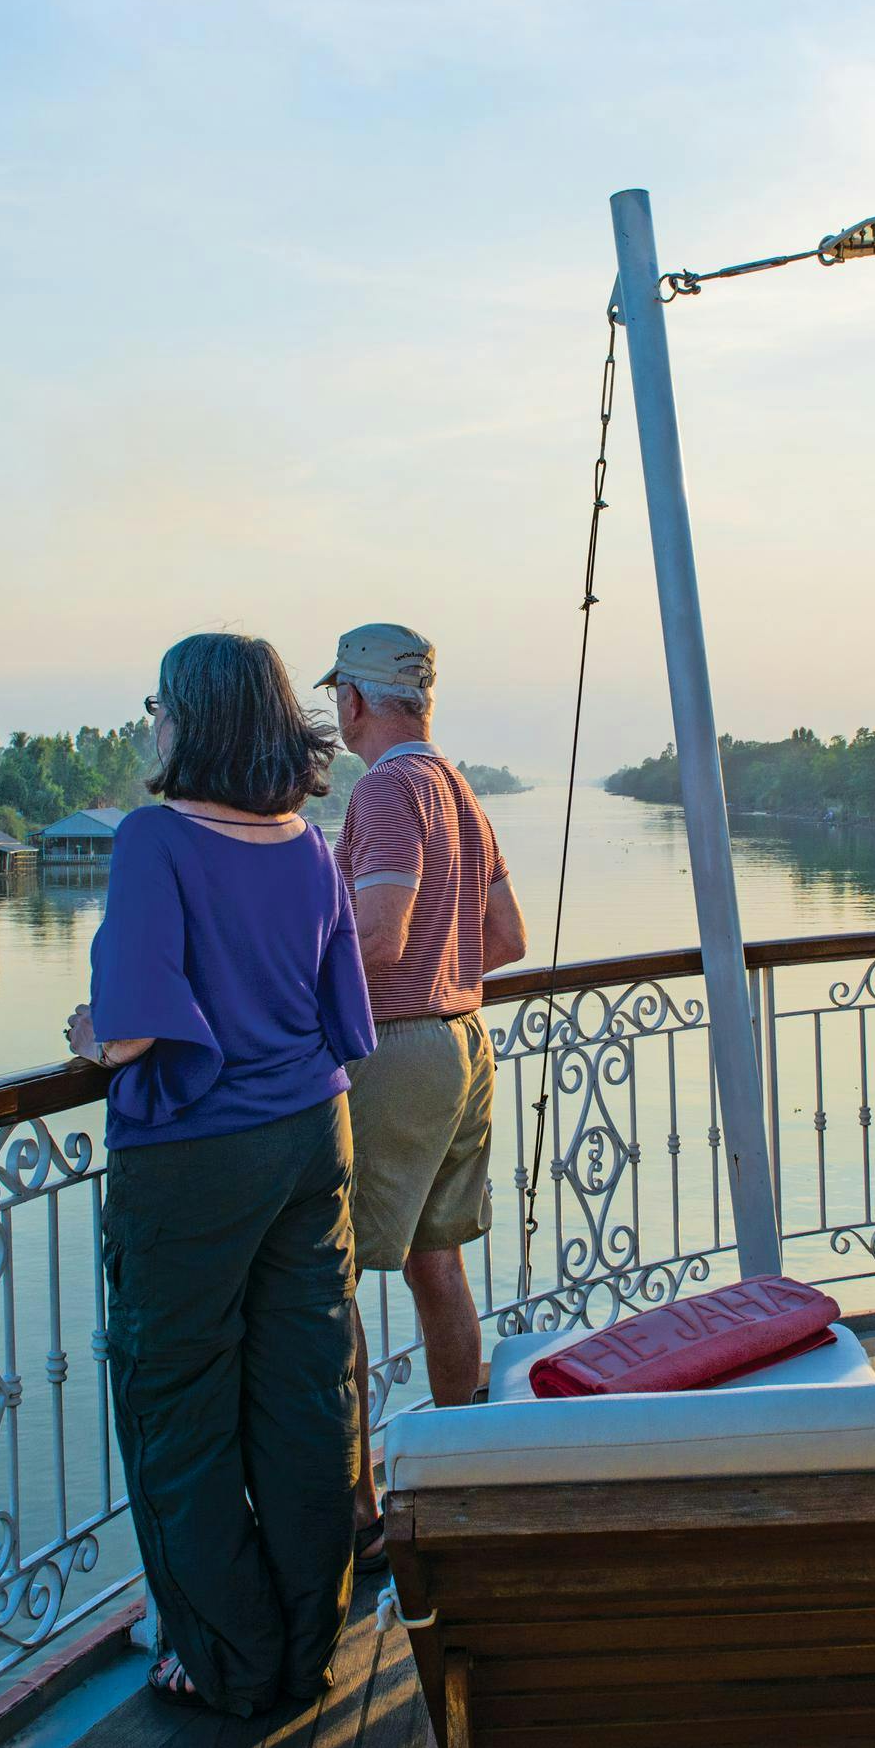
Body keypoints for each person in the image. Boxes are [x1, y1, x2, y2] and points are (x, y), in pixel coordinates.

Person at [64, 632, 376, 1717]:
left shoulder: (154, 840)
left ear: (190, 719)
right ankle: (307, 1645)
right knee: (305, 1393)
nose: (153, 720)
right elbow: (342, 1005)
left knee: (178, 1409)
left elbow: (139, 1027)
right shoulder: (307, 841)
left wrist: (91, 1038)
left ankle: (224, 1658)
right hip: (313, 1134)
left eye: (159, 703)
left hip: (196, 1156)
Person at [314, 623, 526, 1559]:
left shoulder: (389, 789)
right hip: (464, 1042)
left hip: (396, 1051)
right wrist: (449, 963)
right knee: (438, 1265)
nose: (334, 714)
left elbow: (380, 937)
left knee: (332, 1274)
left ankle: (360, 1508)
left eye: (336, 698)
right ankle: (461, 1469)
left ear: (357, 701)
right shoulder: (456, 788)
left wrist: (286, 994)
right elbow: (508, 939)